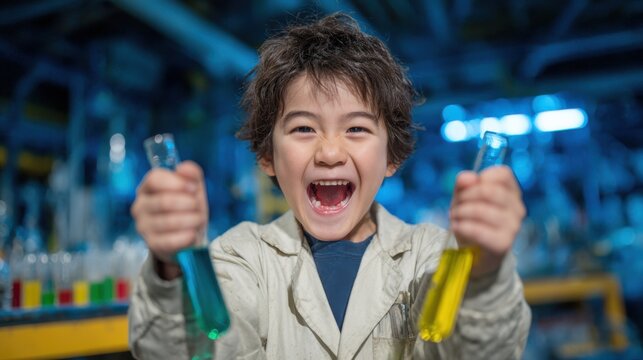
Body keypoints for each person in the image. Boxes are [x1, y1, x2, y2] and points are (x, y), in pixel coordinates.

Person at [128, 12, 530, 359]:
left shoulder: (430, 257)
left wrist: (486, 274)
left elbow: (481, 351)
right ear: (268, 155)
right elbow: (187, 352)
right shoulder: (239, 260)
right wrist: (171, 270)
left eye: (356, 128)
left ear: (392, 157)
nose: (330, 152)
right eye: (303, 127)